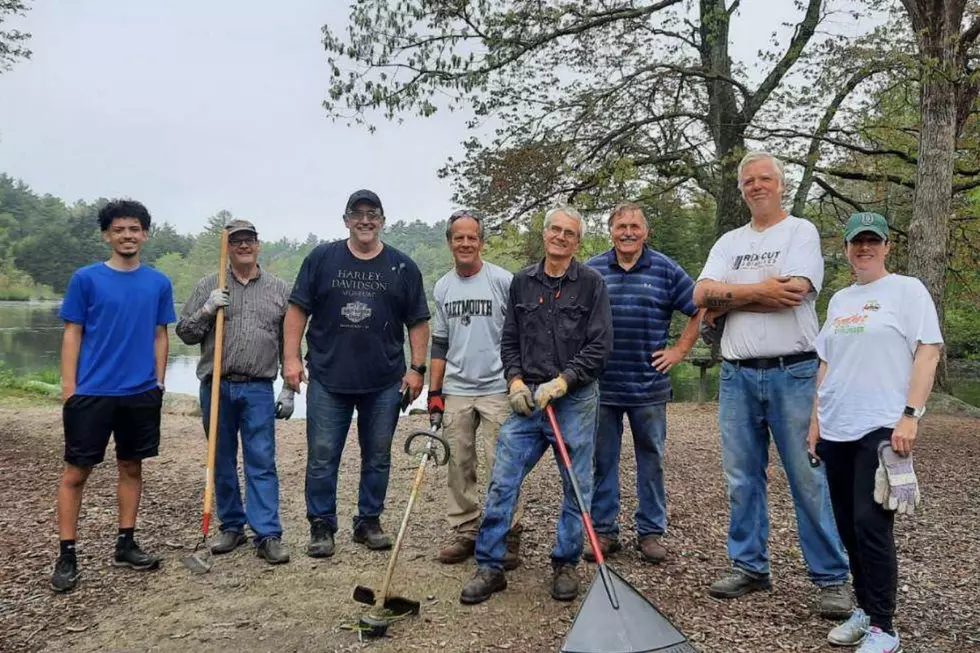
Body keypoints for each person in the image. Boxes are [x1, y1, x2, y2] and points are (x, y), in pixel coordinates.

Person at [693, 151, 852, 618]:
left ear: (780, 184)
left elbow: (796, 292)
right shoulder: (728, 241)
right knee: (742, 477)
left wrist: (731, 300)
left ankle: (831, 577)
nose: (757, 186)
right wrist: (762, 292)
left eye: (765, 178)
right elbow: (701, 295)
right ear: (741, 190)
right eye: (748, 181)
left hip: (795, 372)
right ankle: (750, 566)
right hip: (738, 374)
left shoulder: (800, 232)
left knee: (807, 476)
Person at [459, 205, 612, 605]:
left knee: (576, 485)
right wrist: (513, 381)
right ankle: (490, 565)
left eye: (569, 233)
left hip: (574, 399)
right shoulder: (523, 283)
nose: (561, 237)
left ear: (578, 241)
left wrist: (564, 382)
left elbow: (599, 346)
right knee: (503, 478)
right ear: (545, 234)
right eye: (555, 230)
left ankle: (565, 563)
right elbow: (509, 339)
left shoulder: (592, 284)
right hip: (528, 400)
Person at [809, 212, 942, 652]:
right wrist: (815, 421)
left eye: (872, 241)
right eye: (856, 242)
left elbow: (927, 352)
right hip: (837, 426)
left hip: (882, 425)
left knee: (871, 523)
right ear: (846, 248)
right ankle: (863, 609)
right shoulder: (841, 300)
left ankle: (884, 627)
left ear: (887, 247)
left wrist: (911, 414)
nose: (864, 248)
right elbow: (826, 362)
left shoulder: (907, 291)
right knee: (847, 524)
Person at [284, 189, 430, 558]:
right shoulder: (321, 259)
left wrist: (417, 370)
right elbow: (297, 310)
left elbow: (418, 321)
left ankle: (368, 520)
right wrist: (291, 359)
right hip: (328, 377)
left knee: (378, 455)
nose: (365, 220)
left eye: (372, 214)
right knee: (321, 454)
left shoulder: (403, 267)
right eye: (358, 213)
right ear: (346, 219)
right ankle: (321, 524)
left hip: (383, 380)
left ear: (382, 220)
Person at [51, 199, 176, 593]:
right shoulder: (86, 279)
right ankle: (67, 553)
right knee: (76, 471)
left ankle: (126, 542)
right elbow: (73, 332)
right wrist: (70, 387)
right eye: (120, 229)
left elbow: (160, 334)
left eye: (135, 229)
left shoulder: (158, 282)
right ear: (107, 234)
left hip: (139, 391)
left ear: (145, 234)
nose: (127, 235)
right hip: (92, 391)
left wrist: (157, 381)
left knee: (131, 467)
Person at [585, 203, 701, 564]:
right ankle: (604, 532)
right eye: (621, 226)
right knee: (603, 460)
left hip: (648, 386)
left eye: (635, 226)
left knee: (651, 460)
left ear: (645, 232)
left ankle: (650, 532)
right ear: (611, 231)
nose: (628, 232)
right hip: (602, 386)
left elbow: (698, 308)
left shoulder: (665, 269)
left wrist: (679, 350)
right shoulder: (592, 270)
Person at [176, 220, 294, 565]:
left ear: (258, 245)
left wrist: (289, 387)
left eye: (249, 241)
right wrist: (207, 309)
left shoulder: (278, 289)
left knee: (261, 460)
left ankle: (267, 533)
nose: (244, 246)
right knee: (221, 459)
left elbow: (291, 341)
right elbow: (185, 332)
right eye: (237, 241)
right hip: (216, 386)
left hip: (258, 387)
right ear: (228, 247)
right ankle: (231, 526)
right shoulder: (209, 285)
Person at [428, 210, 524, 569]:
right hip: (457, 388)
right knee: (458, 464)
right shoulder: (442, 286)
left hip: (498, 387)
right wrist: (434, 392)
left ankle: (508, 531)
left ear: (482, 241)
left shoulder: (502, 280)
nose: (465, 243)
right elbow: (439, 341)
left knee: (504, 465)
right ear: (450, 242)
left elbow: (519, 334)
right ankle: (466, 529)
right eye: (459, 237)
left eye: (472, 237)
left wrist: (519, 378)